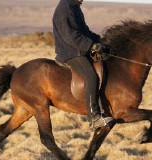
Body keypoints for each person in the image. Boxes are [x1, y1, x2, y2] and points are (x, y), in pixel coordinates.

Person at [53, 0, 113, 131]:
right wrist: (90, 45)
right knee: (91, 77)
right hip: (71, 52)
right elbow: (70, 34)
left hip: (79, 49)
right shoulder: (65, 8)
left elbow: (84, 30)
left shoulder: (74, 7)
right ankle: (94, 117)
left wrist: (100, 41)